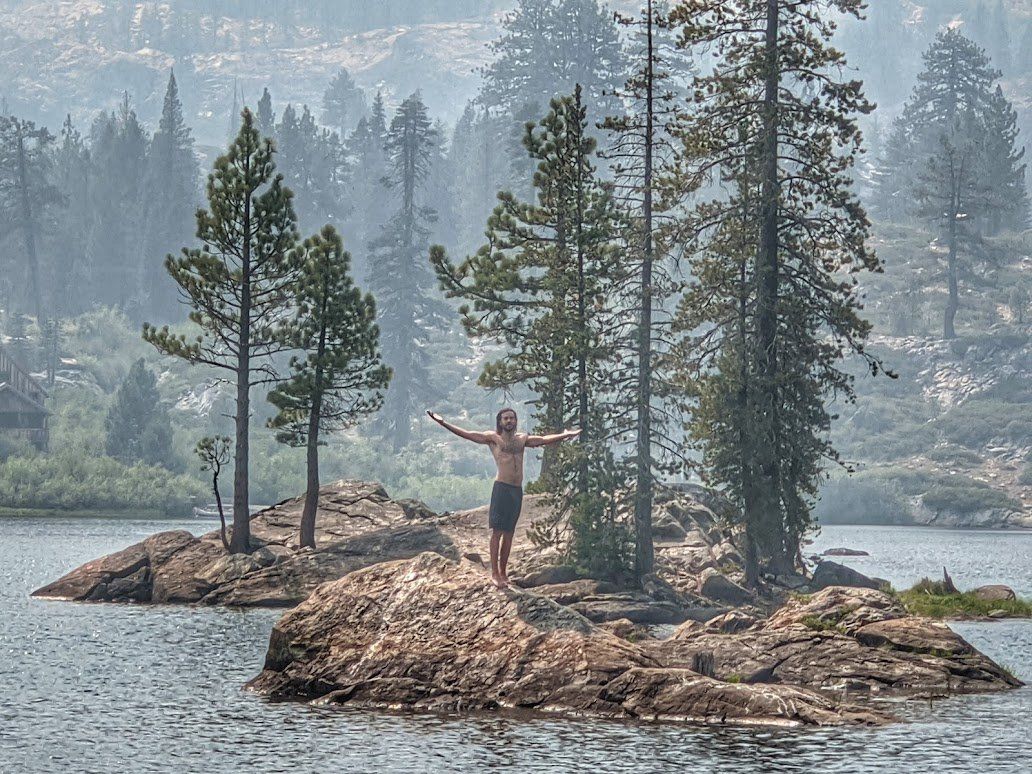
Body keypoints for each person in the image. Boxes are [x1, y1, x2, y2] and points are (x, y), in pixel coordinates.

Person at [427, 408, 580, 588]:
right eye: (506, 418)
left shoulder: (522, 440)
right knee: (497, 533)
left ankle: (504, 572)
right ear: (500, 421)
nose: (509, 421)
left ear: (516, 421)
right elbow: (467, 434)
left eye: (512, 418)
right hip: (501, 489)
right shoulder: (493, 438)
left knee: (509, 533)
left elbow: (543, 440)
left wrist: (565, 435)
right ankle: (495, 573)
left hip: (516, 491)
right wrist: (443, 423)